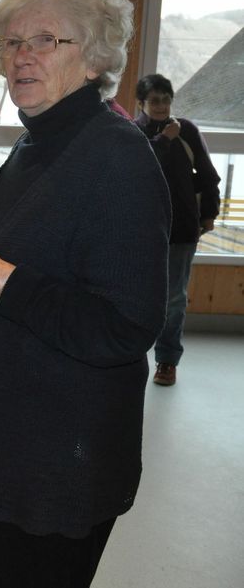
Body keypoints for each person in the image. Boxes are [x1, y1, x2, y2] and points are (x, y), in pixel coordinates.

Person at [0, 0, 171, 588]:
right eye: (9, 43)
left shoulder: (115, 155)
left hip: (57, 455)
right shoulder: (42, 143)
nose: (19, 58)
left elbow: (124, 326)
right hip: (7, 438)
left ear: (94, 60)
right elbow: (21, 256)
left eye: (45, 41)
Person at [134, 73, 221, 386]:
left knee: (174, 299)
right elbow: (139, 169)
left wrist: (210, 212)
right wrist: (165, 139)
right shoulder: (133, 132)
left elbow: (208, 175)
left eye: (166, 99)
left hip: (182, 228)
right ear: (141, 103)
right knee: (136, 294)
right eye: (154, 100)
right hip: (141, 229)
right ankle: (130, 356)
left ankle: (167, 360)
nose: (161, 106)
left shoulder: (188, 130)